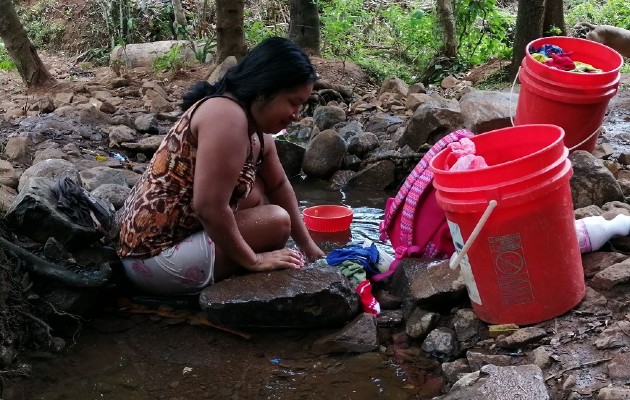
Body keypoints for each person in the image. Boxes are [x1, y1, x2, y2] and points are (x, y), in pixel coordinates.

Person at [117, 37, 325, 295]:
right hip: (153, 260)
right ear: (263, 90)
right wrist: (254, 260)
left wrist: (308, 246)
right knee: (277, 221)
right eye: (293, 102)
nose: (296, 114)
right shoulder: (226, 116)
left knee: (259, 189)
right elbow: (209, 207)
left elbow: (280, 185)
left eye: (301, 105)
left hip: (155, 247)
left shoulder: (256, 128)